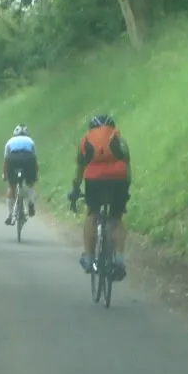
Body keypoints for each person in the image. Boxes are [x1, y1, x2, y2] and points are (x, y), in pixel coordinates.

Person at [66, 114, 132, 280]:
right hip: (119, 178)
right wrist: (126, 188)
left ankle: (89, 258)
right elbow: (127, 165)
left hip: (94, 179)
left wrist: (75, 189)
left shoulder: (86, 140)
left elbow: (79, 169)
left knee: (92, 214)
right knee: (116, 219)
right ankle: (118, 260)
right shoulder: (119, 138)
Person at [2, 124, 39, 225]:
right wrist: (35, 175)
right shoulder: (30, 141)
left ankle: (10, 214)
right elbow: (35, 159)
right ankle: (31, 202)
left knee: (11, 186)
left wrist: (5, 175)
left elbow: (6, 160)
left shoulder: (10, 141)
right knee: (30, 183)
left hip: (13, 159)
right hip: (28, 158)